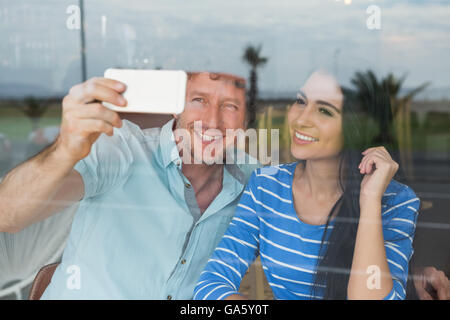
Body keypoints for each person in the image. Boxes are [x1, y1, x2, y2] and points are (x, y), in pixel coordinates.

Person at [0, 71, 259, 299]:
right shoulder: (119, 149)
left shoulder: (256, 182)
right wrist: (64, 150)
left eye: (230, 106)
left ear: (246, 120)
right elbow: (8, 215)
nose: (212, 121)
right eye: (199, 100)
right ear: (176, 105)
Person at [194, 70, 421, 300]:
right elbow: (210, 285)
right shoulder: (266, 186)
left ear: (356, 127)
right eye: (301, 101)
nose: (301, 119)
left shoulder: (395, 201)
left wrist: (370, 200)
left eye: (324, 110)